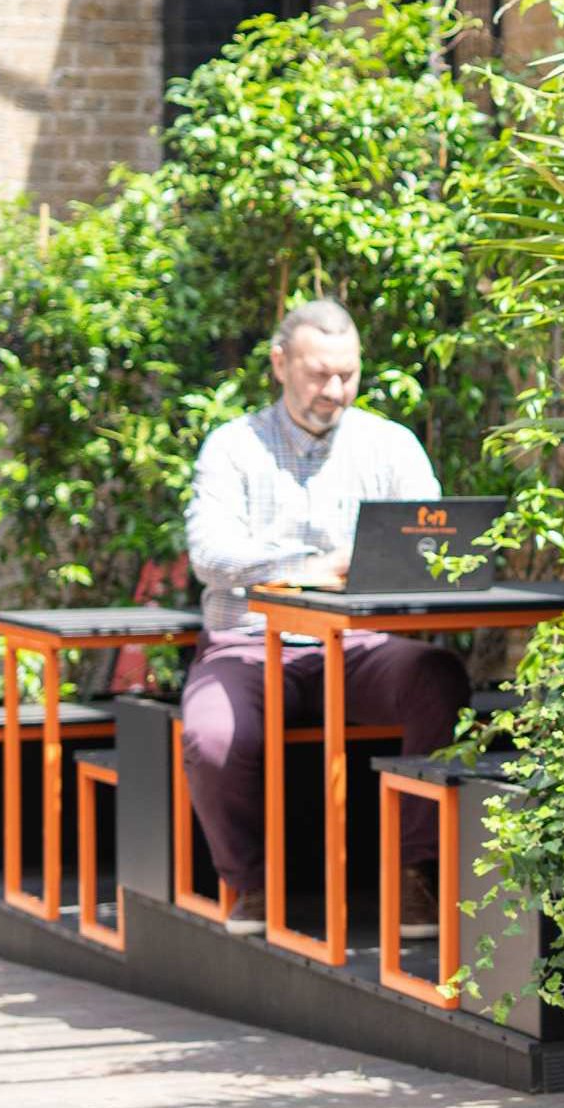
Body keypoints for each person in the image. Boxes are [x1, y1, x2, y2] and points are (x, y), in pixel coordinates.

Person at [181, 299, 470, 937]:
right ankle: (249, 884)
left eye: (348, 375)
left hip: (362, 646)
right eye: (319, 374)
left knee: (437, 678)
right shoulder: (232, 448)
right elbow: (210, 554)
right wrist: (318, 564)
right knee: (210, 736)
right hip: (250, 645)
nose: (334, 390)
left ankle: (415, 876)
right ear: (280, 365)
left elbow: (433, 543)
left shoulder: (391, 445)